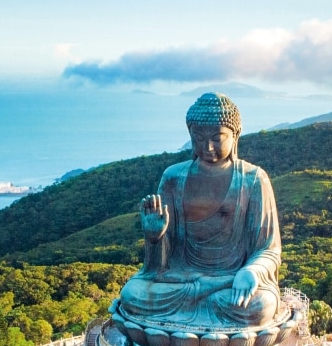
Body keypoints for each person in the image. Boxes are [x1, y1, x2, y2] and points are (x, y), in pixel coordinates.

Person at [117, 93, 281, 330]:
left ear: (235, 135)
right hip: (182, 280)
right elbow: (159, 266)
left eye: (217, 138)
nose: (208, 147)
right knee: (132, 294)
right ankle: (204, 314)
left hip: (231, 280)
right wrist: (155, 237)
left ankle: (193, 318)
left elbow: (269, 249)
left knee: (260, 306)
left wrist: (252, 272)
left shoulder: (253, 179)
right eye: (199, 138)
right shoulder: (173, 177)